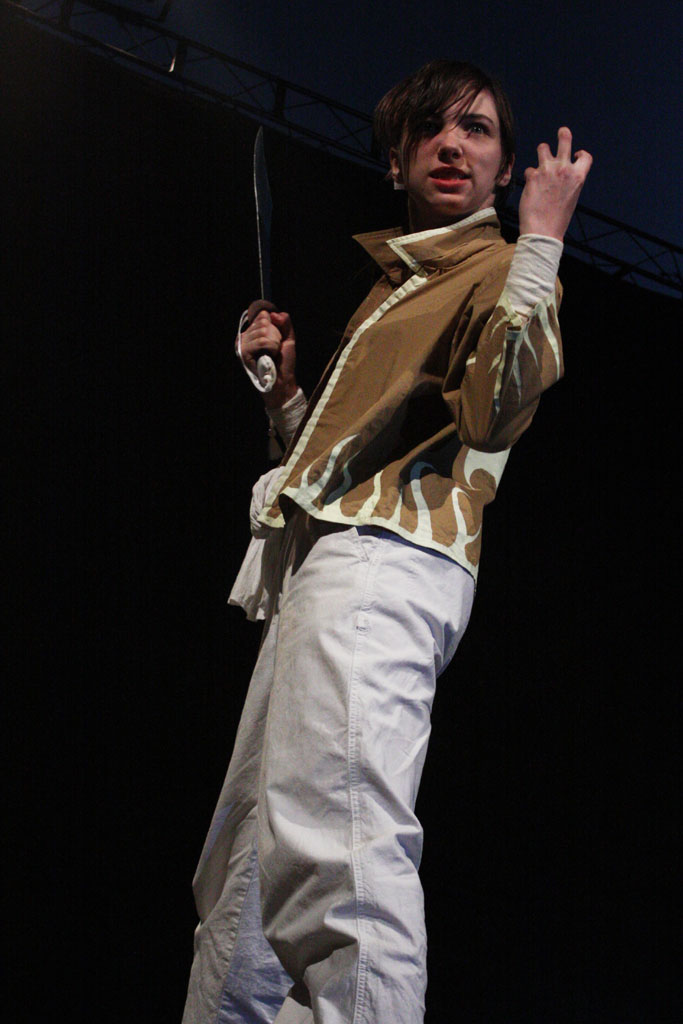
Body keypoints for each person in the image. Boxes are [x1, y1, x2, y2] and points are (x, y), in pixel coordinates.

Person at [182, 60, 592, 1024]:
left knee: (341, 857)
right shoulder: (396, 291)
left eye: (476, 130)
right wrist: (286, 397)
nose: (452, 143)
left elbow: (496, 411)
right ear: (396, 162)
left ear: (504, 171)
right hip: (324, 568)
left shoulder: (500, 265)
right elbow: (339, 470)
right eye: (429, 129)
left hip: (384, 568)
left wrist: (542, 238)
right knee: (243, 881)